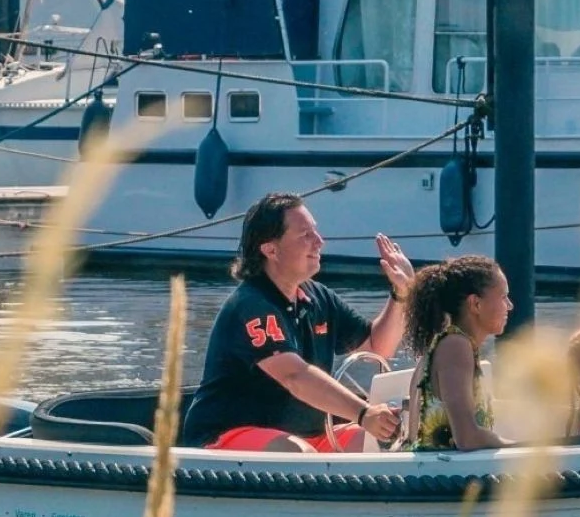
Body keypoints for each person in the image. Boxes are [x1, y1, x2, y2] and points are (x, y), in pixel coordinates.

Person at [184, 192, 418, 450]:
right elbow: (294, 375)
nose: (319, 242)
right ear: (271, 249)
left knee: (396, 440)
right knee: (297, 452)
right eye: (305, 235)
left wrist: (402, 294)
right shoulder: (252, 305)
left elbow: (377, 347)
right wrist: (364, 413)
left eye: (315, 233)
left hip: (308, 434)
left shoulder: (318, 297)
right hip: (227, 434)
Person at [402, 256, 513, 450]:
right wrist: (526, 448)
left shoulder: (451, 344)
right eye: (503, 297)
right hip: (438, 477)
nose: (510, 306)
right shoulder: (455, 346)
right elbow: (467, 438)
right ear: (475, 304)